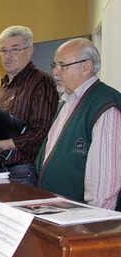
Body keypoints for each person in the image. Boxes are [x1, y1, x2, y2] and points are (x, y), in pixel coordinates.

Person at [37, 38, 121, 211]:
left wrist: (94, 224)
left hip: (83, 222)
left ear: (86, 67)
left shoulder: (104, 104)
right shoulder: (68, 100)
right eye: (55, 65)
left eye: (62, 65)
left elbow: (105, 185)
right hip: (60, 211)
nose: (55, 72)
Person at [0, 25, 59, 186]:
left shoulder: (41, 82)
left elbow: (42, 131)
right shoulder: (2, 87)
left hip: (23, 171)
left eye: (15, 50)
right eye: (3, 51)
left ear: (29, 51)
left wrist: (0, 146)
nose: (8, 56)